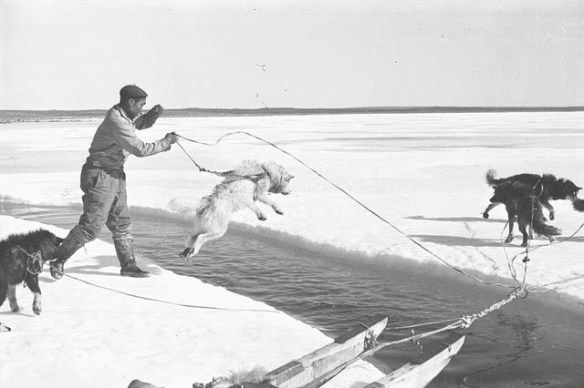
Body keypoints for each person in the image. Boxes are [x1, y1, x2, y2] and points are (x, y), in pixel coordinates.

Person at [50, 84, 178, 279]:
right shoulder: (116, 120)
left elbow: (140, 122)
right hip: (100, 174)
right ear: (130, 102)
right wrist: (166, 143)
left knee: (121, 223)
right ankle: (57, 259)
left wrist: (153, 114)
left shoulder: (125, 115)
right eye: (141, 105)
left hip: (115, 174)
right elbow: (140, 149)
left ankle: (128, 267)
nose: (142, 108)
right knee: (91, 227)